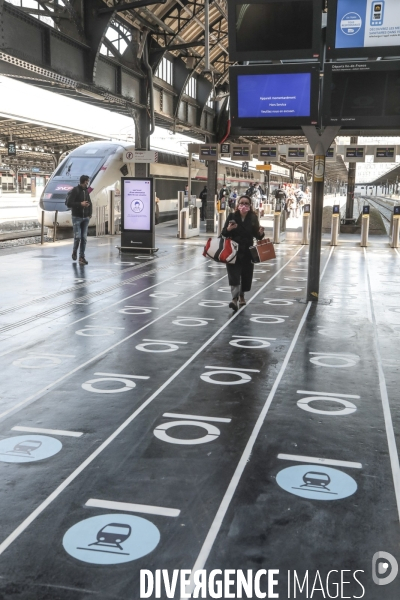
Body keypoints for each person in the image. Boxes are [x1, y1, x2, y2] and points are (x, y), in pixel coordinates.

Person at [221, 195, 265, 312]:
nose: (244, 205)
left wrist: (260, 233)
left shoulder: (253, 217)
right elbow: (224, 233)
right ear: (238, 205)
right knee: (234, 275)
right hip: (233, 251)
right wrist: (229, 229)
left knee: (246, 275)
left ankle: (242, 296)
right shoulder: (232, 216)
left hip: (247, 251)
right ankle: (234, 299)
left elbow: (257, 235)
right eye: (242, 203)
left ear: (250, 206)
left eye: (246, 203)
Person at [68, 174, 92, 265]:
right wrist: (80, 204)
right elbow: (69, 203)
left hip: (85, 218)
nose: (88, 183)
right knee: (77, 237)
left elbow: (90, 202)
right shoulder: (75, 190)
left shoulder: (86, 191)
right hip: (76, 217)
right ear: (83, 181)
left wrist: (89, 213)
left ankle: (82, 257)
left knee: (84, 238)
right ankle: (74, 251)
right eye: (87, 181)